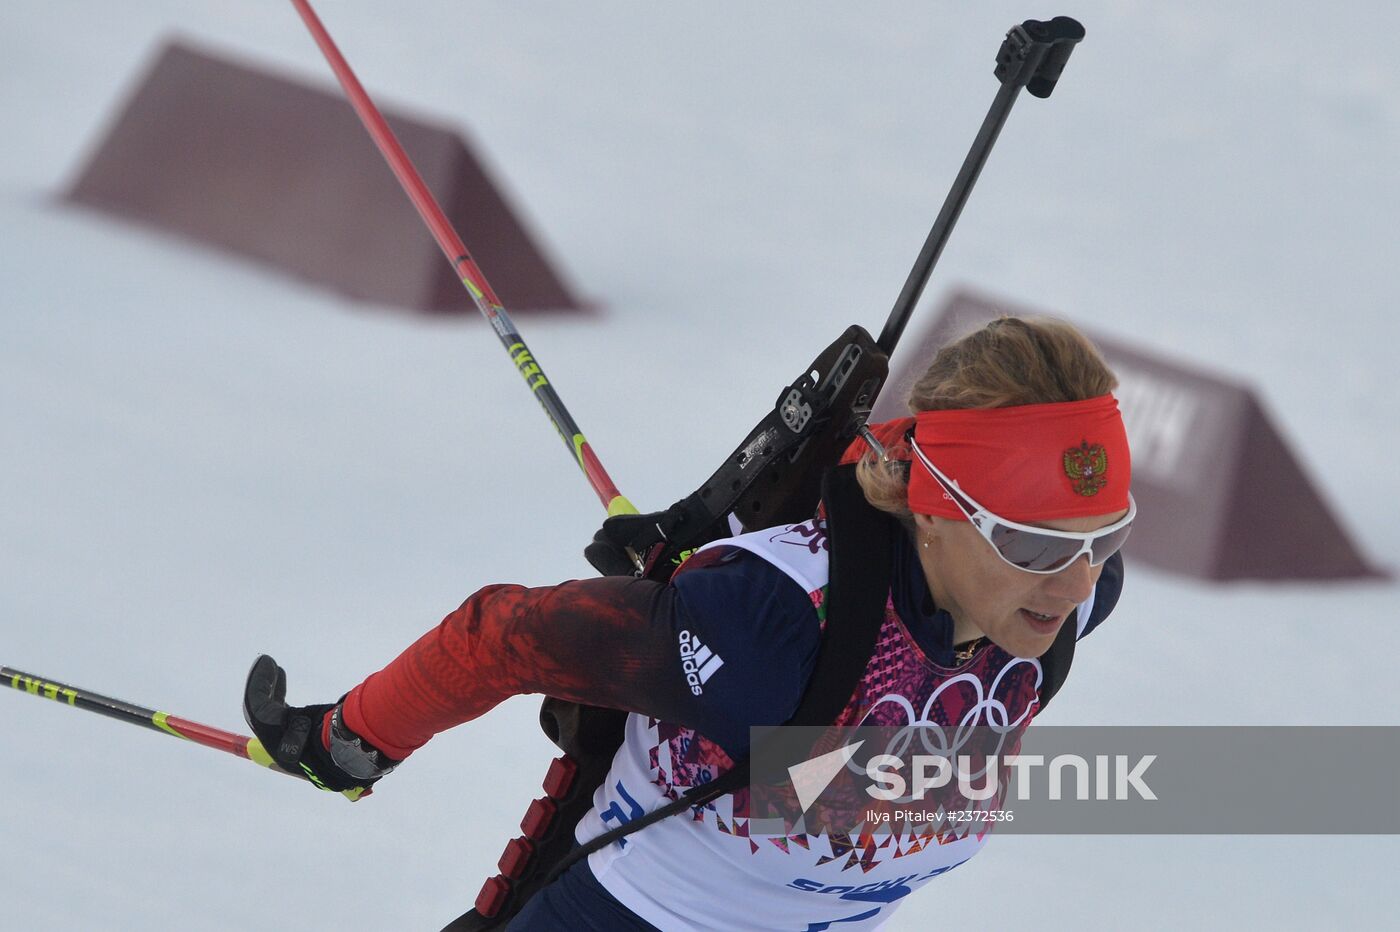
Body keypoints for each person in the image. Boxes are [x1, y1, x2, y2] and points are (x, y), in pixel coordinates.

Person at [243, 315, 1133, 931]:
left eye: (1105, 534)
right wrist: (351, 739)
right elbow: (500, 632)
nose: (1079, 576)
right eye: (1031, 540)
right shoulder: (769, 633)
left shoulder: (1059, 603)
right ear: (933, 507)